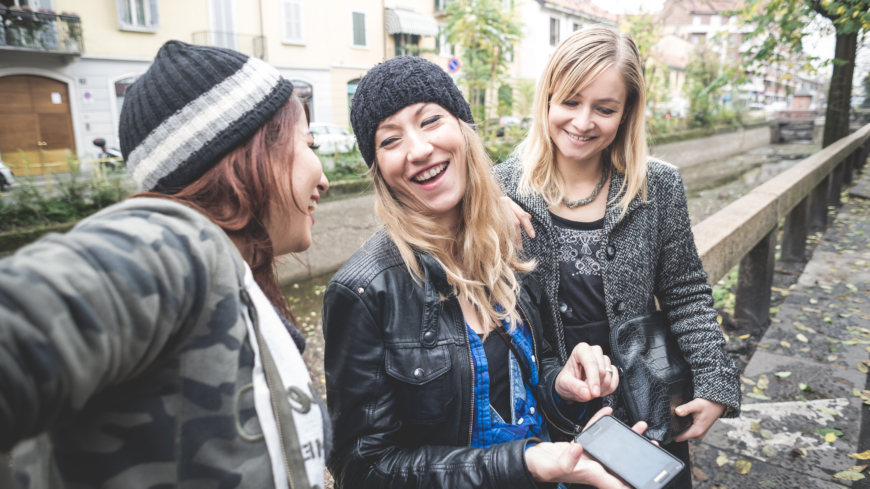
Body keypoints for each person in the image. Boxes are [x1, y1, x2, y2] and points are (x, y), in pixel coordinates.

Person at [0, 41, 331, 489]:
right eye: (307, 144)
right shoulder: (173, 244)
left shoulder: (236, 274)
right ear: (251, 154)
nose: (325, 179)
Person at [322, 56, 651, 489]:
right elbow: (360, 467)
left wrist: (562, 386)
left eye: (430, 120)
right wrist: (524, 463)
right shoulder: (365, 291)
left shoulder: (505, 245)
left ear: (463, 129)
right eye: (390, 140)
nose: (418, 150)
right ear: (379, 168)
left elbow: (530, 376)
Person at [493, 26, 741, 488]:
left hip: (646, 408)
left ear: (627, 112)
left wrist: (714, 381)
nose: (583, 122)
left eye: (604, 109)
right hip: (551, 412)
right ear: (546, 99)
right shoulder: (501, 189)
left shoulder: (657, 187)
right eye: (569, 102)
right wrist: (479, 201)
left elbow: (685, 291)